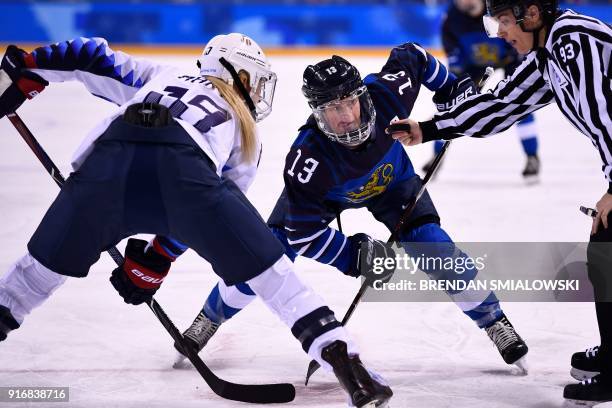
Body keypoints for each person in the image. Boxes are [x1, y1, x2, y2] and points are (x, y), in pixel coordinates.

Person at [0, 34, 393, 407]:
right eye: (254, 82)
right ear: (235, 73)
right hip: (186, 177)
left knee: (32, 277)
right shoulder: (245, 129)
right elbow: (212, 216)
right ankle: (351, 370)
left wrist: (29, 69)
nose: (257, 93)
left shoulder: (162, 75)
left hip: (106, 170)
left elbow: (90, 57)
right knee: (274, 278)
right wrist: (156, 258)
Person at [163, 44, 529, 371]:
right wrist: (354, 256)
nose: (346, 116)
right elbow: (304, 236)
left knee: (434, 247)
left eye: (350, 102)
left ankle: (494, 320)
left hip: (393, 185)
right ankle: (209, 318)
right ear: (317, 112)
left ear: (362, 96)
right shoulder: (307, 159)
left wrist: (451, 89)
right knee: (265, 260)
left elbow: (413, 55)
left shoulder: (387, 95)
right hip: (327, 198)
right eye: (332, 108)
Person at [390, 0, 612, 403]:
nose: (501, 34)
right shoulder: (547, 53)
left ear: (532, 13)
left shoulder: (573, 41)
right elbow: (502, 105)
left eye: (506, 22)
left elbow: (607, 118)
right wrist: (430, 128)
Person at [423, 0, 541, 182]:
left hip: (509, 59)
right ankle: (436, 157)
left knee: (521, 103)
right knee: (450, 105)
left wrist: (515, 55)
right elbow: (455, 59)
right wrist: (460, 87)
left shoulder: (500, 9)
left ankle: (532, 156)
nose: (464, 2)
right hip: (472, 65)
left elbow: (517, 34)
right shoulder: (451, 20)